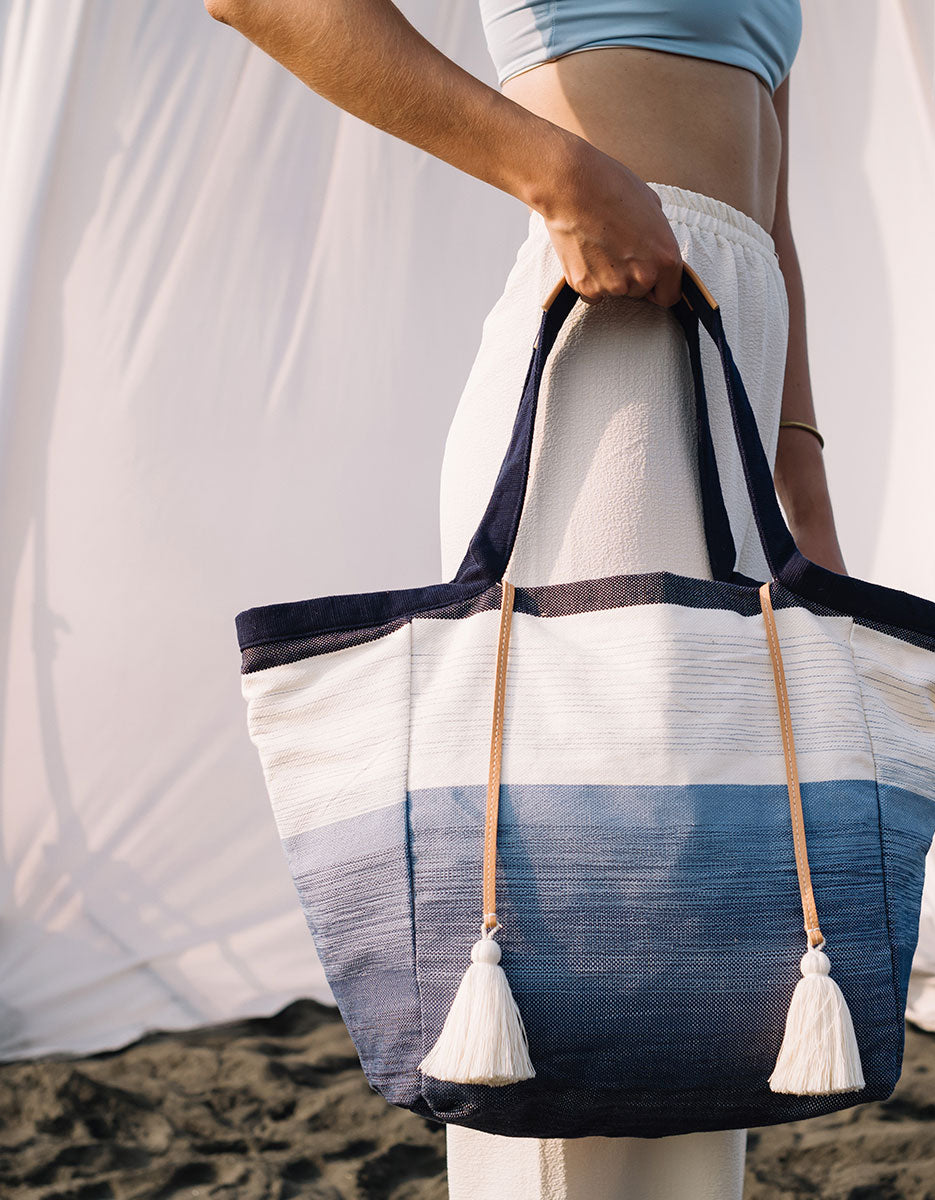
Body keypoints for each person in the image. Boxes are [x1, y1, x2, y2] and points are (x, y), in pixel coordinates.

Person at [204, 0, 847, 1196]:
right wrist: (555, 176)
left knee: (700, 935)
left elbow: (775, 180)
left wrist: (797, 456)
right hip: (611, 345)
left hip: (723, 346)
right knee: (587, 921)